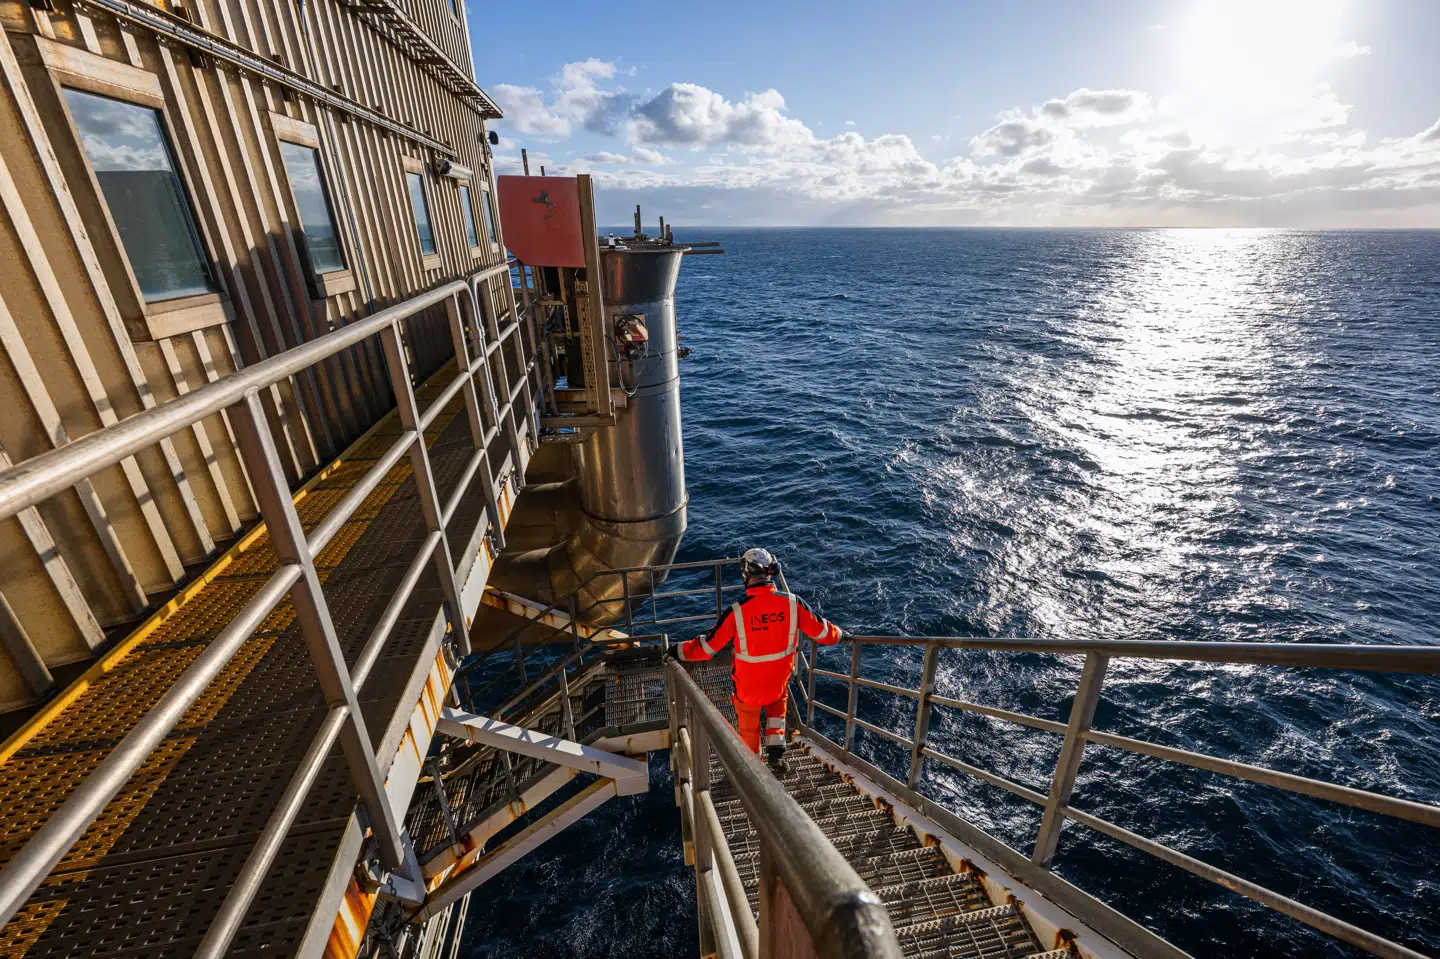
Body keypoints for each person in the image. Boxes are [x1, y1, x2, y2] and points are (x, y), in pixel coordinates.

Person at [666, 548, 844, 765]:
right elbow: (824, 633)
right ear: (771, 572)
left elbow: (707, 647)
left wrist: (677, 650)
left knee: (749, 726)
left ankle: (755, 768)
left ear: (746, 574)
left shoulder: (737, 611)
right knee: (778, 706)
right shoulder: (793, 603)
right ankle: (776, 753)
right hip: (778, 683)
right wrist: (842, 634)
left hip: (748, 689)